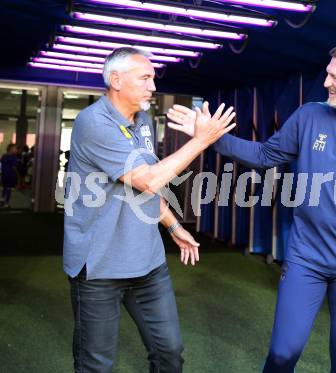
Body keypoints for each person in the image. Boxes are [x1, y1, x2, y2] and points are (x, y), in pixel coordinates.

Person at [167, 43, 336, 372]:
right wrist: (209, 138)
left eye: (335, 77)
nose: (326, 82)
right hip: (307, 258)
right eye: (327, 74)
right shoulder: (309, 115)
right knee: (283, 353)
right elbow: (265, 156)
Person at [64, 47, 235, 373]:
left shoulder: (143, 122)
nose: (152, 86)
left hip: (147, 263)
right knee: (95, 365)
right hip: (100, 267)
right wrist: (201, 140)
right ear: (116, 80)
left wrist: (173, 226)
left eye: (153, 78)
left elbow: (145, 188)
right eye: (145, 78)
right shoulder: (93, 122)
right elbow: (147, 180)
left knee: (169, 352)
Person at [0, 143, 18, 208]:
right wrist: (17, 175)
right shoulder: (13, 157)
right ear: (11, 149)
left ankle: (2, 201)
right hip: (10, 176)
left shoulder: (3, 156)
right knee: (9, 189)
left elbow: (2, 164)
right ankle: (6, 203)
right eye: (15, 148)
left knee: (5, 188)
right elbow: (14, 168)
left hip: (4, 175)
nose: (16, 150)